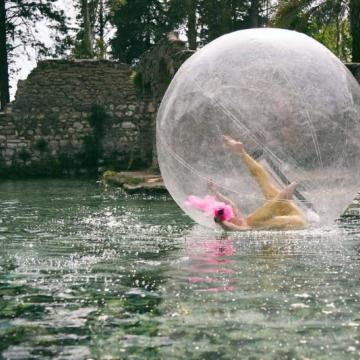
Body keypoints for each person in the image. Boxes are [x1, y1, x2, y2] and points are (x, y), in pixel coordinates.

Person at [208, 135, 306, 231]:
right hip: (296, 223)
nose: (235, 217)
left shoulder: (241, 219)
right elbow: (231, 227)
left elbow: (231, 204)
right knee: (252, 219)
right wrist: (221, 222)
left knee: (266, 186)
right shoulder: (245, 227)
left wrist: (215, 193)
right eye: (231, 219)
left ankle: (242, 153)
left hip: (293, 214)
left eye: (232, 216)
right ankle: (283, 195)